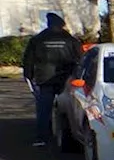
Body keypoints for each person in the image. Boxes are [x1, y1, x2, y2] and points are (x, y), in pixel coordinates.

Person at [21, 12, 81, 146]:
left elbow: (29, 60)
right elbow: (80, 59)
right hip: (66, 78)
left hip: (44, 78)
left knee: (44, 108)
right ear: (61, 25)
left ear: (48, 24)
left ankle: (42, 137)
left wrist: (28, 75)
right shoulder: (71, 40)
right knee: (67, 107)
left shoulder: (38, 39)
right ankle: (68, 136)